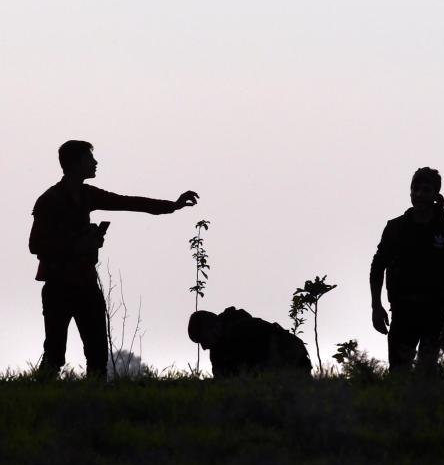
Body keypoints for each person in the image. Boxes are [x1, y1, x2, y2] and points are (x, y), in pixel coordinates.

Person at [29, 140, 198, 379]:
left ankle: (94, 401)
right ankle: (40, 398)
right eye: (89, 159)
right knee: (55, 353)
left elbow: (128, 202)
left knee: (97, 354)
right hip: (58, 286)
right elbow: (35, 245)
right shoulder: (49, 200)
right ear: (76, 164)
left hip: (86, 284)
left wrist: (172, 205)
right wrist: (78, 246)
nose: (95, 163)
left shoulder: (88, 195)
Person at [370, 167, 444, 373]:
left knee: (427, 371)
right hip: (402, 310)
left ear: (436, 194)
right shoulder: (395, 228)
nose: (418, 194)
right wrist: (376, 306)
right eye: (415, 189)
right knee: (399, 371)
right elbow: (377, 266)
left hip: (435, 312)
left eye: (425, 190)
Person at [188, 307, 312, 377]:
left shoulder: (245, 329)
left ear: (212, 328)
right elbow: (223, 380)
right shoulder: (217, 352)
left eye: (202, 339)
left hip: (292, 366)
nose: (203, 347)